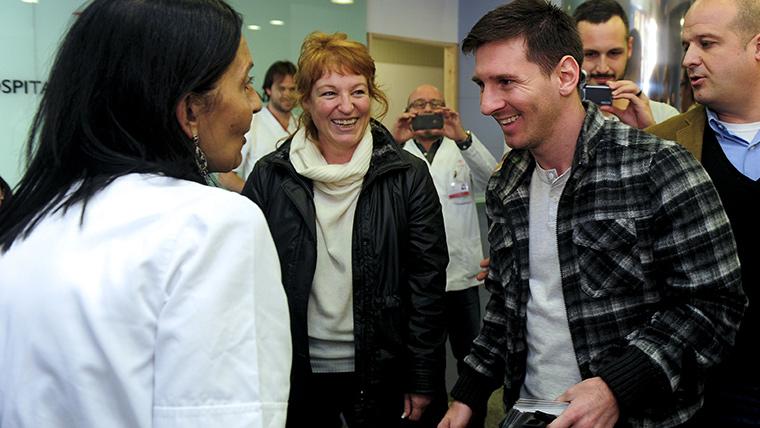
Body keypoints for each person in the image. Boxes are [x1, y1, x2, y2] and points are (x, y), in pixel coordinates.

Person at [437, 1, 746, 427]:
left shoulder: (659, 167)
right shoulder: (507, 185)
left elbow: (714, 306)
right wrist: (468, 393)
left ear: (565, 75)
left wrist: (616, 386)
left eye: (505, 82)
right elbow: (507, 309)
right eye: (482, 84)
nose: (488, 104)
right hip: (530, 413)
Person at [0, 1, 291, 427]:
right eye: (245, 82)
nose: (256, 104)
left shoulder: (28, 223)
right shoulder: (213, 226)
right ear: (190, 108)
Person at [242, 32, 448, 428]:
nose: (346, 107)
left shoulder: (407, 175)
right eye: (329, 93)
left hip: (382, 369)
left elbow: (426, 285)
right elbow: (249, 283)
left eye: (358, 91)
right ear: (306, 100)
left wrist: (422, 377)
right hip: (295, 369)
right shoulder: (271, 177)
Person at [646, 0, 760, 425]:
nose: (690, 58)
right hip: (693, 378)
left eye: (707, 43)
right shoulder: (661, 146)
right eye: (687, 44)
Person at [392, 84, 497, 428]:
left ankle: (474, 420)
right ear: (409, 112)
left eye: (435, 104)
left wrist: (463, 136)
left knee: (471, 361)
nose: (428, 110)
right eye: (419, 104)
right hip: (418, 284)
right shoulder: (397, 152)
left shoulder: (460, 148)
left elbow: (494, 181)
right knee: (426, 364)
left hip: (462, 278)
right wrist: (393, 141)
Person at [573, 0, 680, 128]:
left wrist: (649, 131)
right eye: (590, 54)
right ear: (573, 51)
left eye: (614, 53)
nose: (603, 68)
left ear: (629, 48)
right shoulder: (556, 119)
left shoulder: (665, 117)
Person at [219, 60, 299, 192]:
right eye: (281, 88)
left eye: (292, 89)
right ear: (268, 90)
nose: (287, 94)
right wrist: (259, 198)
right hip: (259, 208)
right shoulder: (252, 122)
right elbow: (226, 177)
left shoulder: (301, 126)